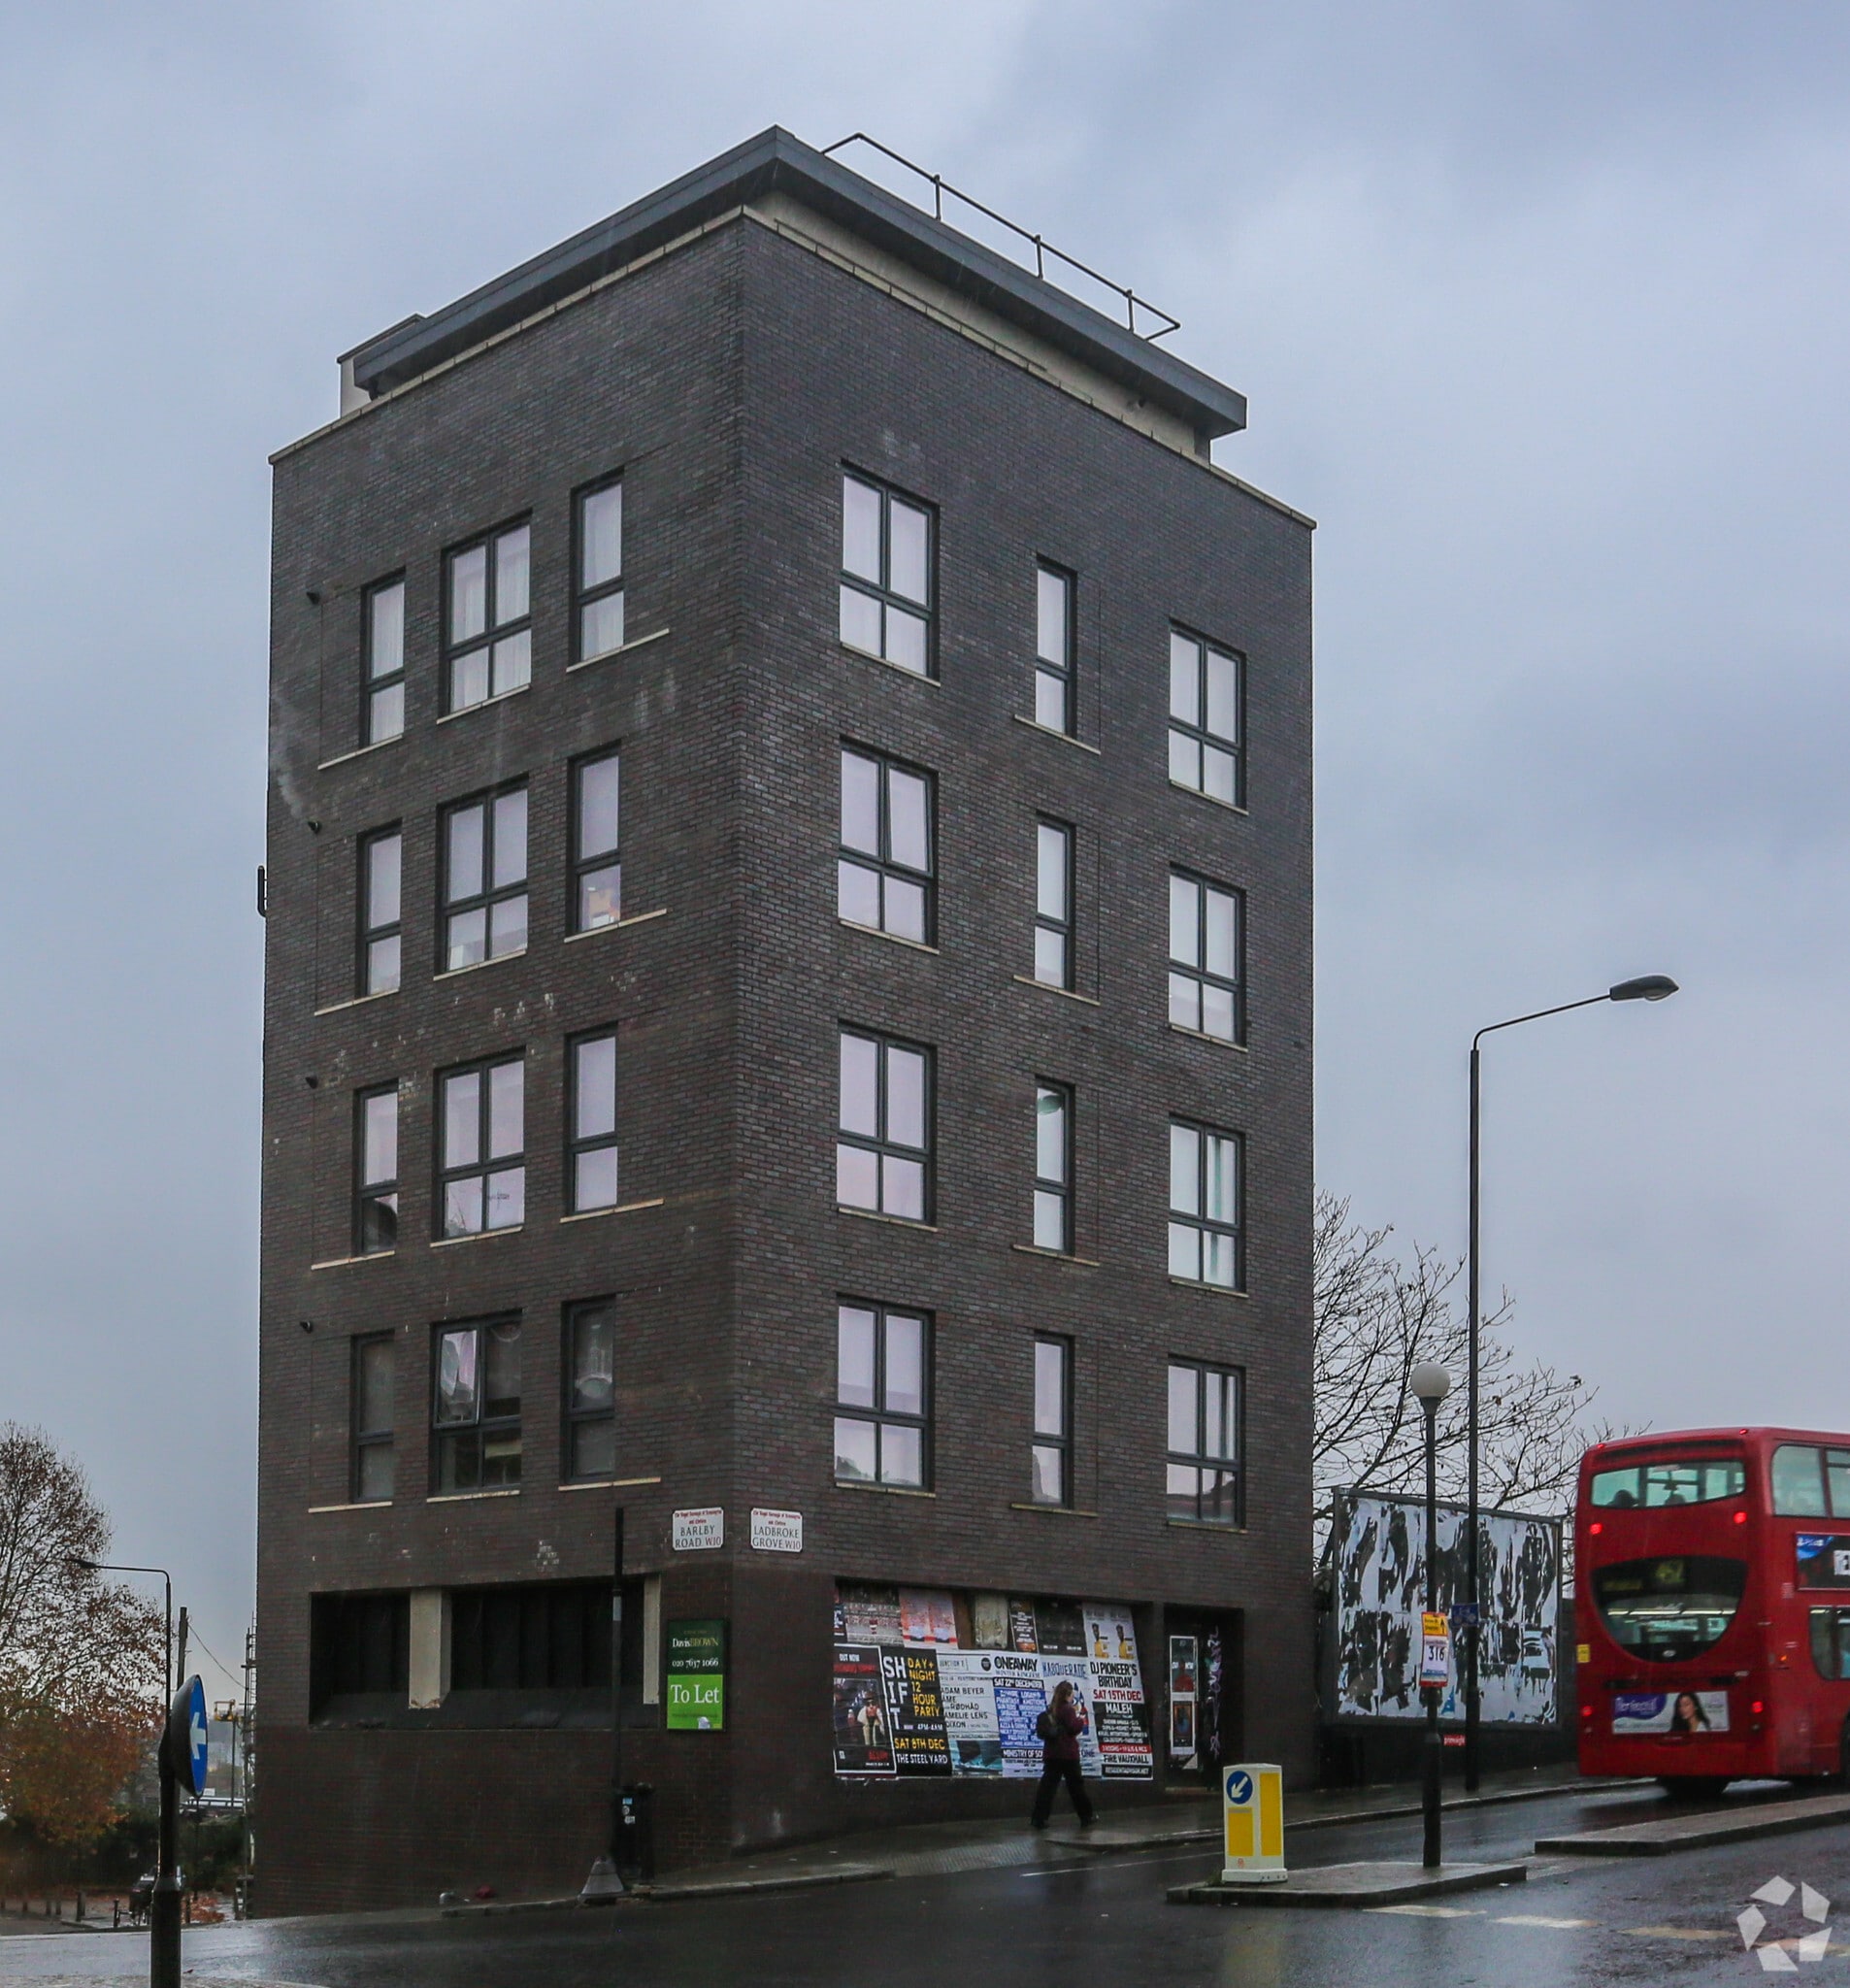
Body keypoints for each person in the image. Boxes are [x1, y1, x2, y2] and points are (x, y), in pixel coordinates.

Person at [1029, 1679, 1096, 1829]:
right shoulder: (1068, 1709)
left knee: (1047, 1788)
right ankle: (1086, 1816)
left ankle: (1038, 1818)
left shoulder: (1051, 1709)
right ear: (1067, 1694)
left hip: (1052, 1755)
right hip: (1068, 1755)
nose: (1073, 1697)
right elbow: (1073, 1728)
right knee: (1076, 1787)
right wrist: (1080, 1720)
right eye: (1072, 1694)